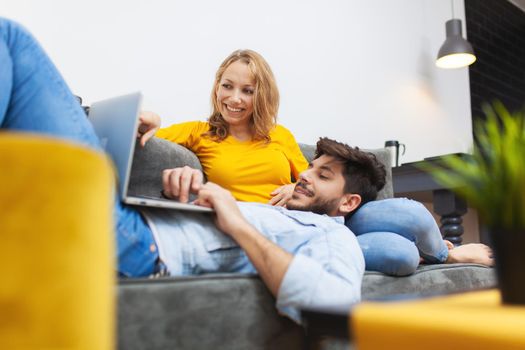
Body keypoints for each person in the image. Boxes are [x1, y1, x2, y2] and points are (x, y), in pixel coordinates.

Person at [1, 17, 493, 319]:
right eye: (228, 87)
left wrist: (236, 216)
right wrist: (194, 185)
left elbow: (328, 305)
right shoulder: (201, 134)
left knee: (397, 237)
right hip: (175, 219)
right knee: (14, 43)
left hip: (161, 240)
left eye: (320, 173)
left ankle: (448, 252)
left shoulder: (327, 227)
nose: (303, 174)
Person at [138, 49, 307, 205]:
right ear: (217, 87)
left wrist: (295, 188)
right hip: (237, 222)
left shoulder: (281, 134)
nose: (234, 98)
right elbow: (144, 135)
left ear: (262, 96)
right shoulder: (199, 132)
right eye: (227, 86)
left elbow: (316, 184)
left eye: (247, 91)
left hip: (286, 221)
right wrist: (153, 119)